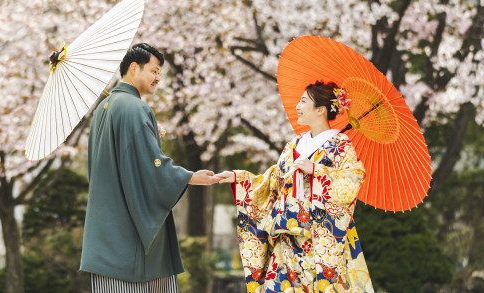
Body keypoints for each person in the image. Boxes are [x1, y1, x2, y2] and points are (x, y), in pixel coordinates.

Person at [80, 43, 221, 292]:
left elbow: (122, 158)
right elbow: (151, 167)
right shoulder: (135, 108)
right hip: (130, 241)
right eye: (154, 71)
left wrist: (149, 132)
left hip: (104, 237)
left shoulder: (103, 109)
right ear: (134, 68)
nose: (158, 78)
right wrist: (190, 177)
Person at [217, 81, 374, 293]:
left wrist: (317, 171)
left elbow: (352, 179)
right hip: (286, 238)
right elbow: (274, 182)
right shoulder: (294, 144)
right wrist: (240, 178)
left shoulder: (341, 146)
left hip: (319, 242)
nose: (297, 106)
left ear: (320, 110)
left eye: (303, 101)